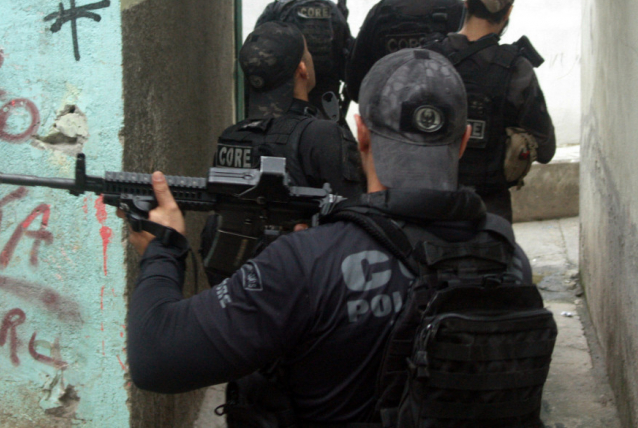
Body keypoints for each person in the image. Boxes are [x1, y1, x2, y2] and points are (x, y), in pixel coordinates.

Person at [125, 48, 534, 425]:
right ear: (463, 142)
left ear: (362, 136)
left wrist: (163, 249)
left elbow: (155, 356)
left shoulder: (304, 265)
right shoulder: (508, 258)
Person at [201, 21, 363, 285]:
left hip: (237, 298)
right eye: (307, 54)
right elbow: (356, 226)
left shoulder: (232, 136)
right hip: (302, 296)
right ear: (302, 69)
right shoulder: (321, 135)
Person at [423, 0, 556, 221]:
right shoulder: (517, 70)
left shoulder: (429, 58)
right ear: (508, 12)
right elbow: (546, 149)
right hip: (489, 216)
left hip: (430, 208)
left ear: (467, 3)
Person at [345, 0, 464, 103]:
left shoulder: (381, 11)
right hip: (442, 121)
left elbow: (356, 83)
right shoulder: (459, 11)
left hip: (388, 122)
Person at [255, 0, 353, 121]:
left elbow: (255, 55)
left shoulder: (277, 9)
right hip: (326, 105)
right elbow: (348, 58)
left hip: (287, 104)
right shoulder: (332, 10)